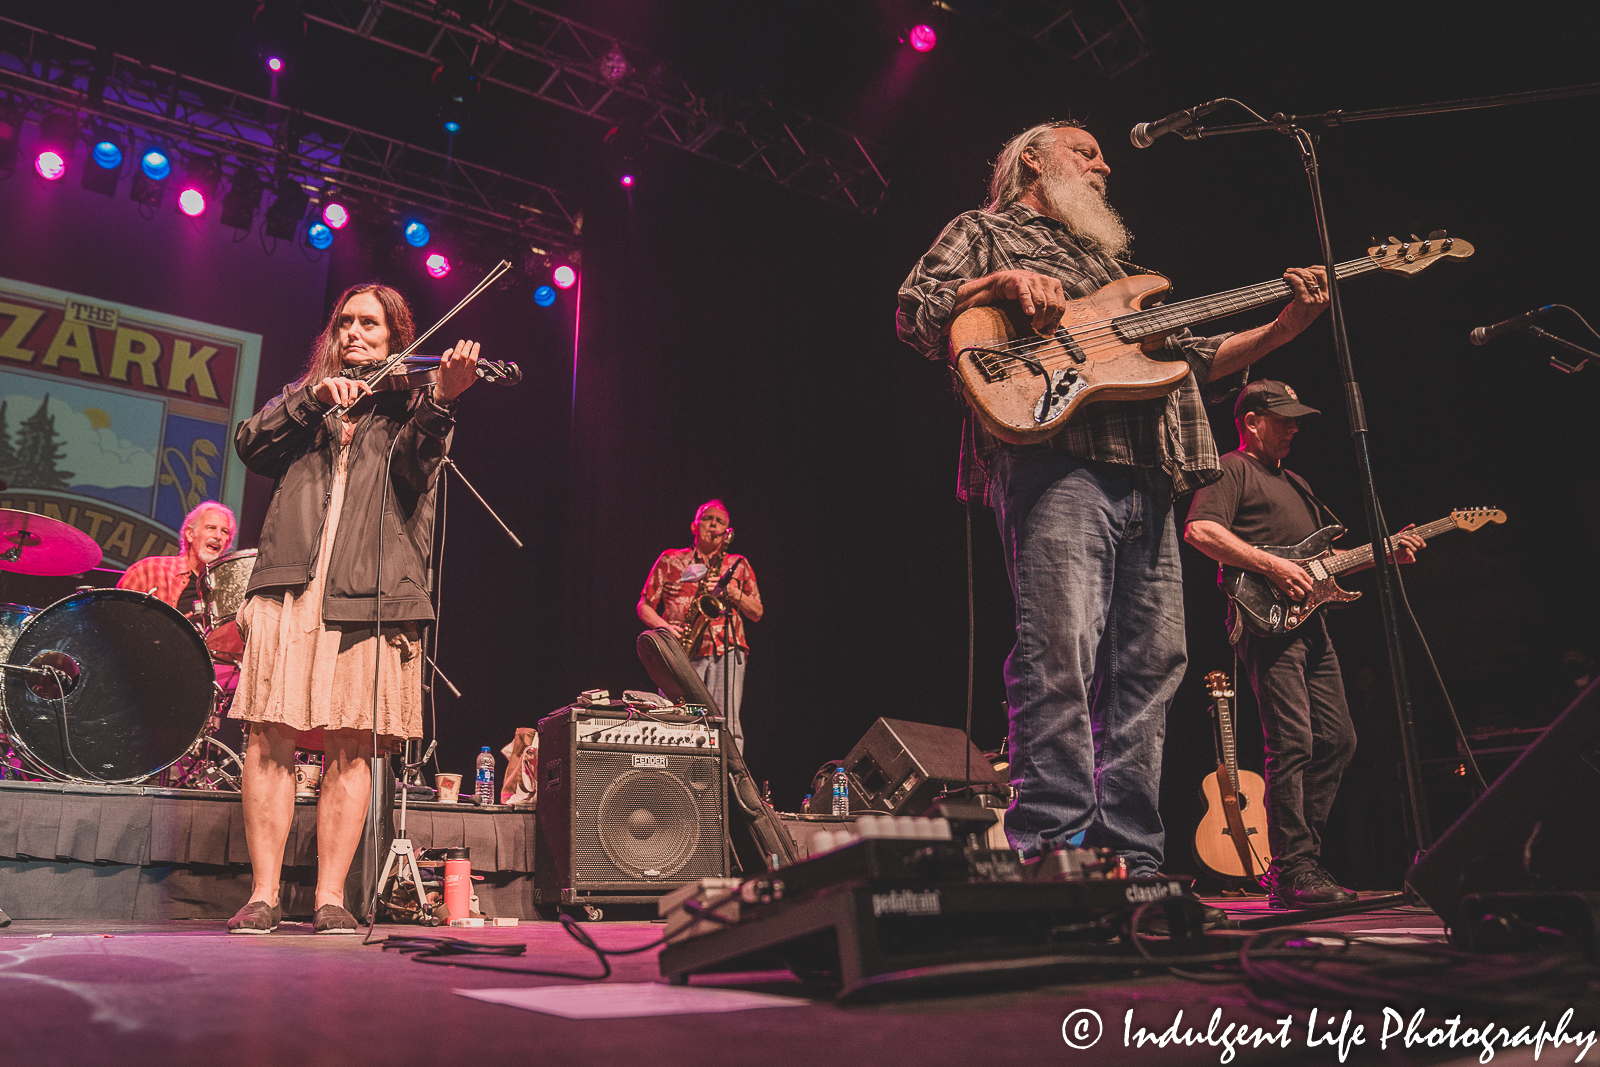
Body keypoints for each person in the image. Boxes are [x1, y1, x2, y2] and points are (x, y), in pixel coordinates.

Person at [896, 120, 1329, 878]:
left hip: (1151, 473)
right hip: (1057, 461)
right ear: (1031, 157)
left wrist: (1285, 326)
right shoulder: (984, 231)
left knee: (1152, 666)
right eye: (1084, 152)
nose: (1103, 167)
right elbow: (917, 309)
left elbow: (1199, 359)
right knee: (1057, 653)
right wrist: (998, 282)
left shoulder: (1117, 267)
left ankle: (1134, 857)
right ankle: (1054, 850)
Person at [225, 282, 480, 935]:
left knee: (351, 744)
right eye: (345, 322)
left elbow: (415, 473)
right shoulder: (305, 399)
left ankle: (330, 895)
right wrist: (311, 398)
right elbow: (252, 444)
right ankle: (263, 893)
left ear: (397, 336)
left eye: (370, 323)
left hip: (369, 592)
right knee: (269, 735)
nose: (354, 333)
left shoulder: (412, 406)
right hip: (290, 584)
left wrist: (444, 398)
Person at [1184, 380, 1425, 907]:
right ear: (1250, 421)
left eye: (1297, 418)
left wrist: (1385, 556)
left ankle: (1298, 861)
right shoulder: (1231, 469)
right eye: (1284, 418)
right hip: (1266, 624)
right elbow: (1201, 530)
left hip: (1311, 628)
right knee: (1292, 743)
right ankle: (1293, 870)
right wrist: (1270, 563)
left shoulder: (1296, 482)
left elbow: (1321, 566)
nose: (1295, 427)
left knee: (1338, 740)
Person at [636, 500, 763, 752]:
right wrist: (665, 629)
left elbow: (757, 612)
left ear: (727, 532)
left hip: (725, 650)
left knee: (726, 724)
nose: (714, 523)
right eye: (708, 518)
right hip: (679, 651)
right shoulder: (671, 559)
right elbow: (643, 605)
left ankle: (729, 784)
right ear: (695, 526)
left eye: (721, 521)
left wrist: (731, 589)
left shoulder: (737, 563)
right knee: (670, 721)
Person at [117, 500, 237, 616]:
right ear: (190, 534)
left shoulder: (228, 588)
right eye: (211, 528)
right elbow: (116, 616)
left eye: (224, 532)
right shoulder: (149, 570)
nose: (218, 536)